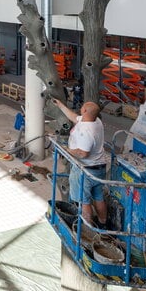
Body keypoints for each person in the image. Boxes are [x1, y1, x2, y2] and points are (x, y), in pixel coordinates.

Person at [52, 98, 108, 229]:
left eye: (82, 108)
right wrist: (60, 105)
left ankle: (87, 229)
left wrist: (66, 150)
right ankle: (102, 223)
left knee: (84, 201)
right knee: (98, 198)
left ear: (84, 110)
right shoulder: (95, 120)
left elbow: (83, 153)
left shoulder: (87, 132)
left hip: (85, 169)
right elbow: (74, 117)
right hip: (99, 167)